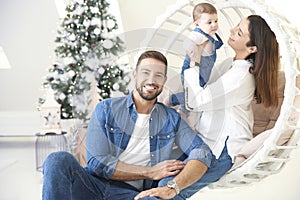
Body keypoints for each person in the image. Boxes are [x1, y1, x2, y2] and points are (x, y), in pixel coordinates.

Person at [42, 50, 233, 200]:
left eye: (158, 75)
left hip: (132, 195)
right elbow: (97, 163)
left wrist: (172, 187)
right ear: (135, 75)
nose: (151, 80)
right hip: (92, 185)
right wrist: (151, 172)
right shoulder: (106, 109)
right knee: (57, 159)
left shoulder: (171, 118)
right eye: (146, 73)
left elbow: (202, 152)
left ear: (164, 81)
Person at [181, 14, 279, 180]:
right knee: (155, 175)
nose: (231, 30)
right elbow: (201, 87)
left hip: (222, 151)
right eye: (236, 26)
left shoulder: (240, 77)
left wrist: (194, 61)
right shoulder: (229, 64)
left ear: (252, 48)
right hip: (203, 143)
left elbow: (197, 101)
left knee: (167, 185)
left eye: (239, 33)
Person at [166, 3, 223, 114]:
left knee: (199, 91)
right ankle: (176, 105)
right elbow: (187, 41)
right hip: (192, 68)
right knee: (191, 93)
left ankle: (182, 107)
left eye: (216, 21)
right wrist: (192, 49)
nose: (214, 25)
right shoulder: (198, 34)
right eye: (209, 22)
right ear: (197, 24)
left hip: (205, 71)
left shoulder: (211, 34)